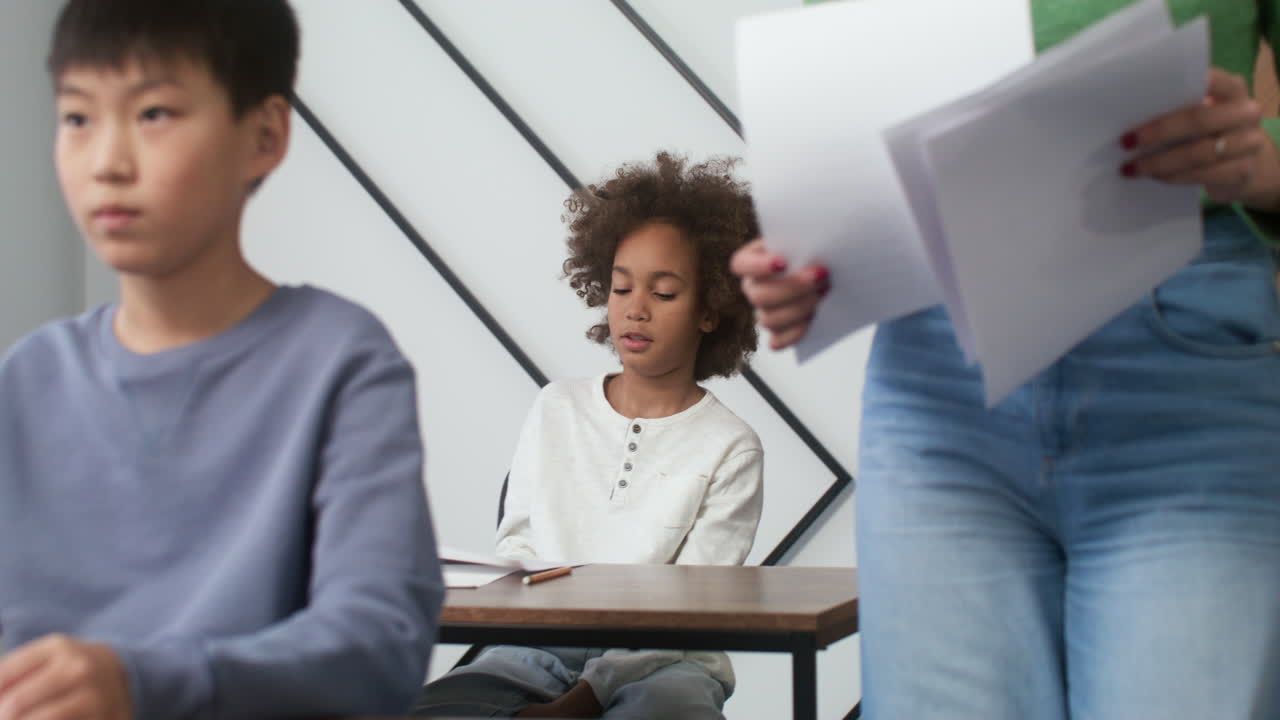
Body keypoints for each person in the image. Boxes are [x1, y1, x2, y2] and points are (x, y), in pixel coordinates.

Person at [732, 1, 1280, 718]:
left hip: (1184, 389)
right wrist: (800, 260)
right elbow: (838, 107)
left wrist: (1261, 158)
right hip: (936, 392)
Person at [0, 2, 444, 718]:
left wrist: (139, 684)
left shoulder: (340, 362)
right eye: (78, 118)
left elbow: (379, 645)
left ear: (264, 136)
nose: (108, 163)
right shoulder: (28, 377)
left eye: (154, 114)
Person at [415, 152, 764, 719]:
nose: (636, 310)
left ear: (711, 309)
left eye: (665, 293)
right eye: (622, 288)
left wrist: (583, 700)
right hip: (536, 646)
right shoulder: (556, 407)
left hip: (667, 664)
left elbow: (694, 608)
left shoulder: (731, 446)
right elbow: (520, 550)